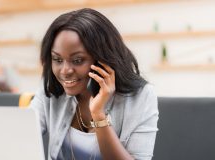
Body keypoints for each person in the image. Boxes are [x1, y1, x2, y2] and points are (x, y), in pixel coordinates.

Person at [30, 8, 159, 160]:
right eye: (57, 60)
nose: (65, 71)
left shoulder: (141, 97)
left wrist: (98, 115)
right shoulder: (51, 89)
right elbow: (18, 134)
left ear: (102, 59)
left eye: (77, 60)